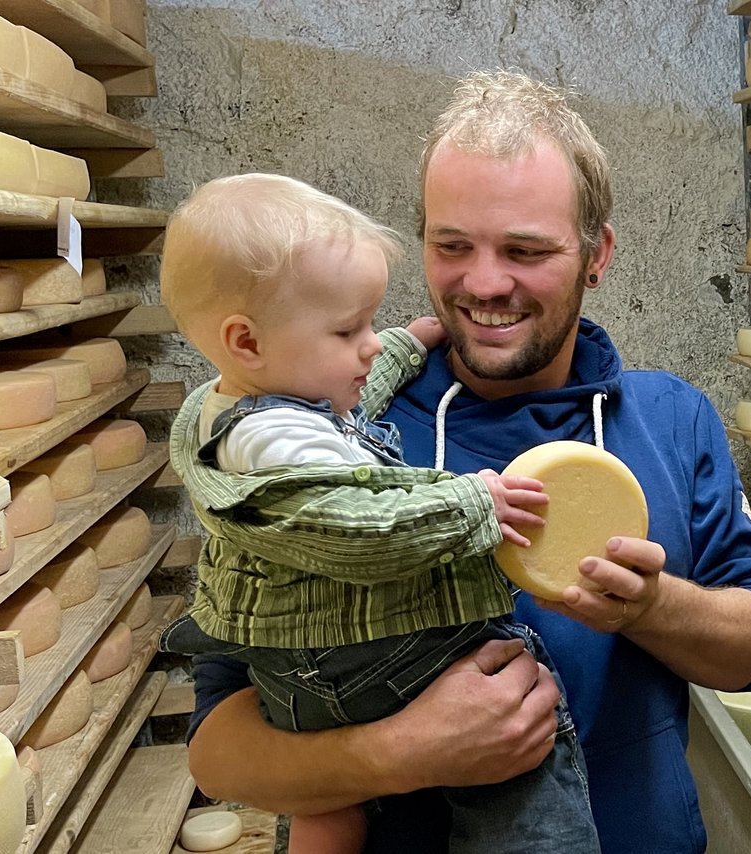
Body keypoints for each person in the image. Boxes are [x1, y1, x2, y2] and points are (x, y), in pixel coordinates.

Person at [177, 72, 751, 853]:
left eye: (526, 250)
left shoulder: (671, 419)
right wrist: (401, 754)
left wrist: (651, 608)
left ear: (596, 253)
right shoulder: (330, 431)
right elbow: (218, 743)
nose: (482, 283)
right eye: (451, 246)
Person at [157, 173, 601, 853]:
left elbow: (350, 405)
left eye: (526, 251)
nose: (368, 345)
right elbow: (361, 526)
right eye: (348, 329)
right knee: (520, 730)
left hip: (295, 688)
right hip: (371, 663)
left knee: (329, 814)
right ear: (246, 341)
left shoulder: (246, 408)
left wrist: (404, 342)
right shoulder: (281, 444)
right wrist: (472, 503)